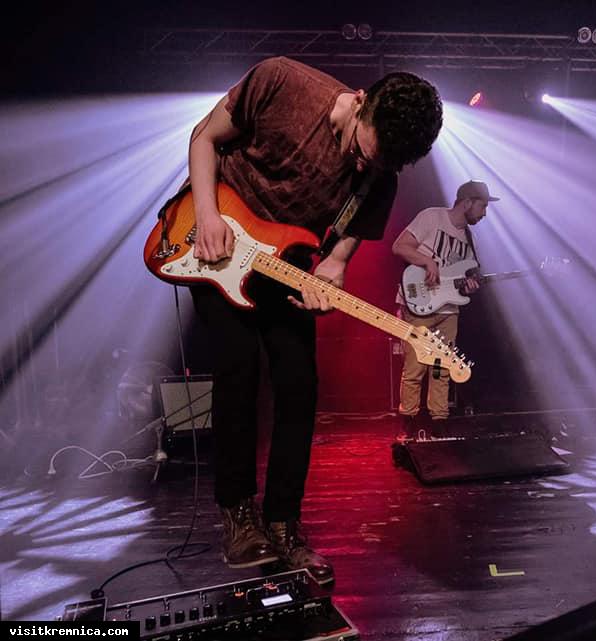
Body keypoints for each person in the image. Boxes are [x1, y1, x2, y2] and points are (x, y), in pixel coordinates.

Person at [186, 56, 442, 581]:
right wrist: (208, 215)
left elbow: (337, 257)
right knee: (238, 371)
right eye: (362, 151)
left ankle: (283, 524)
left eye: (379, 165)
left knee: (299, 387)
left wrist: (333, 273)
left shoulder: (380, 179)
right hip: (218, 245)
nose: (364, 167)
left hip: (285, 266)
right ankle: (238, 516)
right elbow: (203, 138)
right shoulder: (280, 80)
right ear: (361, 100)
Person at [392, 180, 498, 438]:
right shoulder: (432, 217)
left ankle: (439, 424)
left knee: (441, 369)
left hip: (449, 310)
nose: (484, 213)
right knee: (415, 367)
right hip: (419, 304)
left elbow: (465, 280)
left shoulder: (469, 239)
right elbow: (399, 246)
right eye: (483, 206)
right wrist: (427, 261)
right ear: (467, 202)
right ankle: (408, 424)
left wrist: (470, 286)